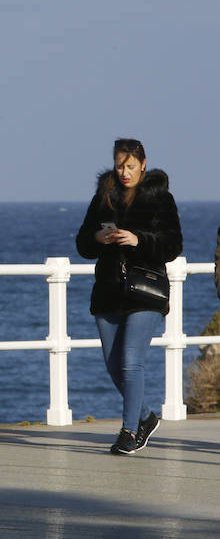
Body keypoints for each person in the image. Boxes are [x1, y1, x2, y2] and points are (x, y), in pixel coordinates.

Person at [76, 138, 182, 455]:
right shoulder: (103, 197)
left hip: (146, 291)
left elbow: (173, 245)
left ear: (143, 164)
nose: (124, 172)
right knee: (113, 365)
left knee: (131, 362)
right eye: (120, 165)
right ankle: (146, 416)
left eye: (131, 166)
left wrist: (139, 239)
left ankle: (129, 431)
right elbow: (82, 244)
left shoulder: (160, 198)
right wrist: (97, 238)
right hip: (109, 290)